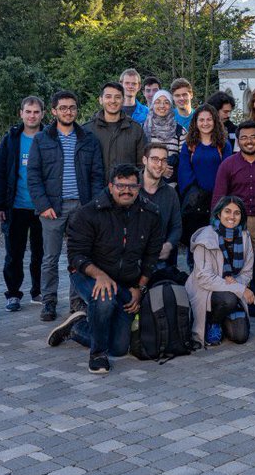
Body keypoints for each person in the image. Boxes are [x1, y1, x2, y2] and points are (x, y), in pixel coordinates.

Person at [45, 165, 162, 374]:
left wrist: (139, 287)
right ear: (110, 186)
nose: (126, 190)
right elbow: (76, 255)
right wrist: (100, 276)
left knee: (118, 347)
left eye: (132, 186)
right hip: (88, 275)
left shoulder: (150, 214)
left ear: (139, 186)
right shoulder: (88, 213)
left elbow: (151, 256)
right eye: (120, 185)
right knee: (104, 296)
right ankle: (98, 355)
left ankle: (77, 327)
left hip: (127, 281)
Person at [27, 90, 105, 322]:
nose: (68, 111)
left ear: (76, 110)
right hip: (52, 208)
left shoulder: (88, 139)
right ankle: (49, 301)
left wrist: (90, 206)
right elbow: (33, 175)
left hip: (81, 208)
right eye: (63, 107)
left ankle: (77, 301)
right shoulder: (42, 139)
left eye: (72, 107)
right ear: (54, 111)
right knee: (50, 258)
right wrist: (42, 205)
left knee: (78, 257)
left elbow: (97, 175)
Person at [0, 96, 46, 311]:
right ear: (21, 113)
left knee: (40, 253)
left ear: (43, 114)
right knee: (14, 253)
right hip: (16, 206)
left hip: (43, 207)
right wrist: (0, 205)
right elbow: (0, 172)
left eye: (36, 112)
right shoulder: (11, 139)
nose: (32, 116)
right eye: (28, 111)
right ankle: (13, 294)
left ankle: (38, 291)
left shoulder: (49, 137)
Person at [188, 196, 255, 346]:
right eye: (227, 211)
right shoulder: (206, 239)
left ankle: (224, 316)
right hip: (206, 291)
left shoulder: (245, 237)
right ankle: (213, 322)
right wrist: (238, 288)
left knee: (240, 336)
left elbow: (247, 272)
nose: (232, 216)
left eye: (237, 213)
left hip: (231, 289)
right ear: (219, 214)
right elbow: (204, 278)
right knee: (229, 299)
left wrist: (236, 283)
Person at [177, 105, 233, 247]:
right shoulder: (189, 145)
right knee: (195, 238)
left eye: (209, 119)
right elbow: (184, 171)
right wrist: (196, 193)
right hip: (196, 201)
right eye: (201, 120)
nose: (205, 123)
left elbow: (227, 171)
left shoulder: (224, 145)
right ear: (196, 122)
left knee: (216, 239)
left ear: (215, 121)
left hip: (218, 199)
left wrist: (218, 194)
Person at [140, 142, 182, 278]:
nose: (159, 165)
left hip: (159, 260)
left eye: (164, 160)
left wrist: (169, 245)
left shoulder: (170, 193)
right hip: (131, 260)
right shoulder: (130, 189)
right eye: (155, 159)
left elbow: (176, 226)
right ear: (144, 160)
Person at [89, 81, 146, 173]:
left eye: (117, 97)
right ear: (100, 100)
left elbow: (142, 165)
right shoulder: (88, 130)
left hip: (127, 186)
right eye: (108, 97)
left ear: (123, 100)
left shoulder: (136, 129)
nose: (113, 101)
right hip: (97, 187)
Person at [143, 89, 185, 160]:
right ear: (152, 105)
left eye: (166, 102)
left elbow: (184, 159)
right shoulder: (143, 128)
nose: (162, 106)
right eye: (157, 102)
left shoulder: (180, 131)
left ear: (171, 106)